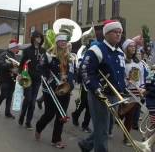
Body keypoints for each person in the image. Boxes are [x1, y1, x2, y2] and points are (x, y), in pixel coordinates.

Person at [78, 20, 126, 152]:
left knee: (103, 126)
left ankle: (86, 144)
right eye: (115, 32)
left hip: (114, 94)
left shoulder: (120, 53)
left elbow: (121, 75)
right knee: (103, 129)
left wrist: (123, 90)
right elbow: (85, 70)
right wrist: (96, 88)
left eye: (120, 32)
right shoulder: (96, 49)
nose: (118, 34)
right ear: (106, 34)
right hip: (98, 95)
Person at [35, 26, 75, 149]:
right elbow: (40, 68)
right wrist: (48, 77)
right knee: (49, 114)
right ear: (57, 42)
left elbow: (73, 73)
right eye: (61, 41)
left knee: (61, 116)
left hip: (65, 89)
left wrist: (69, 83)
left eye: (65, 41)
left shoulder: (70, 57)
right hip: (51, 89)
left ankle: (56, 140)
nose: (63, 43)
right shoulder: (48, 55)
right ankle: (39, 127)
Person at [119, 39, 147, 146]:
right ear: (125, 48)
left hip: (136, 92)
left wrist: (142, 88)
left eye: (134, 46)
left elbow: (141, 77)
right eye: (130, 46)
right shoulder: (122, 61)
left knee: (130, 117)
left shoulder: (139, 62)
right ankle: (109, 126)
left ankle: (126, 138)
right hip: (125, 91)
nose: (133, 48)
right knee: (120, 114)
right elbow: (120, 76)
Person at [18, 30, 45, 130]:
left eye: (40, 37)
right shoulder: (27, 50)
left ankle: (28, 121)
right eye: (37, 37)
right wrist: (20, 73)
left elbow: (44, 64)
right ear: (33, 38)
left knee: (33, 102)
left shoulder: (43, 51)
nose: (39, 39)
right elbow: (21, 64)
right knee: (28, 98)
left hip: (37, 79)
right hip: (28, 78)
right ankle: (22, 115)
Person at [0, 39, 20, 119]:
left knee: (10, 96)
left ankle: (7, 112)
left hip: (12, 78)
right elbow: (1, 65)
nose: (17, 49)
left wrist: (17, 70)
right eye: (16, 47)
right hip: (4, 78)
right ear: (12, 47)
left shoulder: (14, 56)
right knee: (4, 94)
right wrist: (11, 66)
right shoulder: (4, 54)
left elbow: (17, 66)